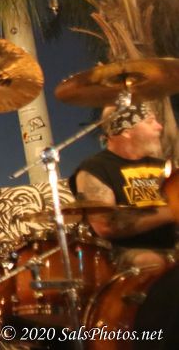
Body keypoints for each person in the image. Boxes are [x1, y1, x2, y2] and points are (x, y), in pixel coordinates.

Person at [71, 102, 177, 269]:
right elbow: (105, 226)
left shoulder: (164, 167)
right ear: (127, 131)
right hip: (121, 254)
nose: (159, 127)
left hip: (172, 246)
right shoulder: (95, 169)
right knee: (150, 261)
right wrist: (171, 212)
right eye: (150, 121)